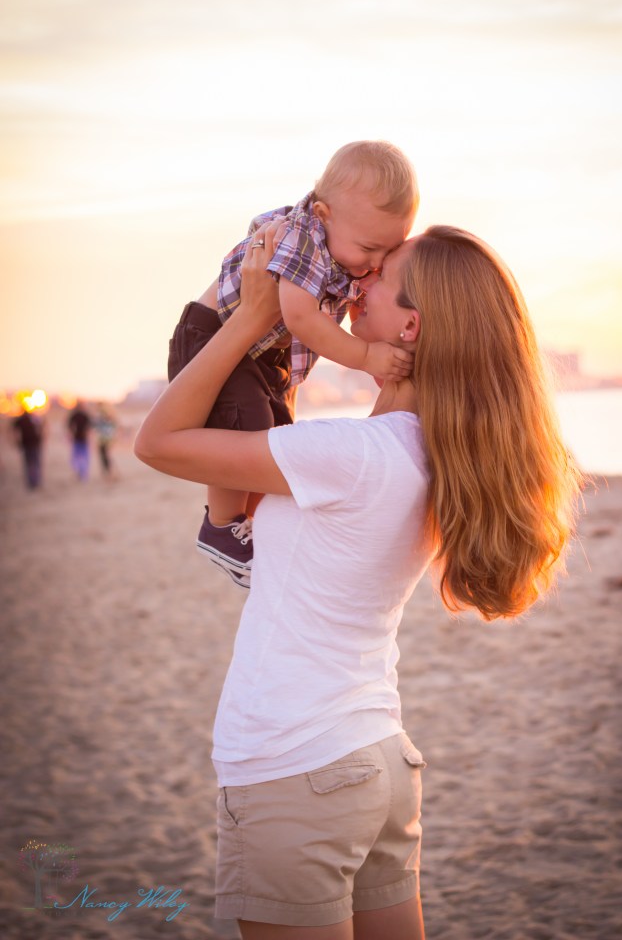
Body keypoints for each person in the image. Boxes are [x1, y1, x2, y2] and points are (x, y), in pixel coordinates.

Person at [135, 221, 581, 939]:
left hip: (292, 762)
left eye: (380, 276)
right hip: (377, 759)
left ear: (410, 325)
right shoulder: (432, 458)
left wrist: (251, 316)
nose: (357, 283)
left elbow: (157, 441)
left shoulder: (349, 455)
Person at [168, 141, 418, 588]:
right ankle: (221, 527)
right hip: (212, 337)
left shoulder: (343, 247)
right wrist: (364, 357)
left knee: (276, 433)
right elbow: (300, 317)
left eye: (388, 252)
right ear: (323, 215)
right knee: (246, 425)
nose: (375, 264)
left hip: (257, 356)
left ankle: (250, 521)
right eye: (369, 248)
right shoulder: (300, 239)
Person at [13, 407, 44, 490]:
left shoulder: (34, 419)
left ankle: (34, 481)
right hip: (28, 444)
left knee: (32, 463)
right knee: (31, 463)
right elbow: (14, 431)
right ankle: (33, 482)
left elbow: (42, 427)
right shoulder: (23, 419)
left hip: (32, 444)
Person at [67, 402, 92, 481]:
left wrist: (88, 434)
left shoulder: (85, 415)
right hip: (77, 439)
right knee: (78, 457)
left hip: (83, 439)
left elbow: (89, 427)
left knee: (83, 457)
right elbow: (69, 425)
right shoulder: (76, 415)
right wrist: (71, 434)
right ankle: (80, 472)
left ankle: (82, 473)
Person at [93, 403, 118, 479]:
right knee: (105, 457)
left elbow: (98, 427)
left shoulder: (101, 415)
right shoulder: (105, 415)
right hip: (104, 439)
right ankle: (109, 473)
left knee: (105, 457)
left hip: (105, 439)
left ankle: (110, 473)